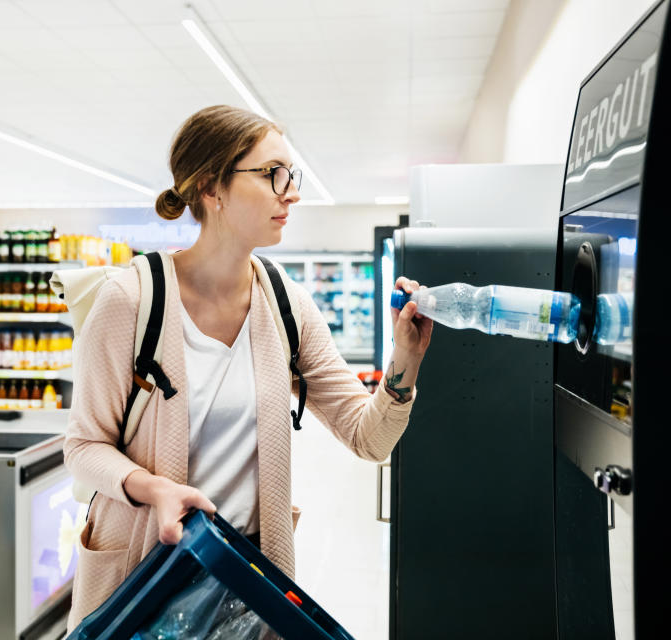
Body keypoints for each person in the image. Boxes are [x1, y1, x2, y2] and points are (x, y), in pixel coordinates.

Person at [64, 105, 433, 631]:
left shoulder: (287, 304)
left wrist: (406, 359)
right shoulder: (131, 301)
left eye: (292, 175)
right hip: (143, 577)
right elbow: (82, 447)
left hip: (245, 584)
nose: (292, 191)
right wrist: (155, 489)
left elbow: (368, 438)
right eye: (272, 174)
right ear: (212, 188)